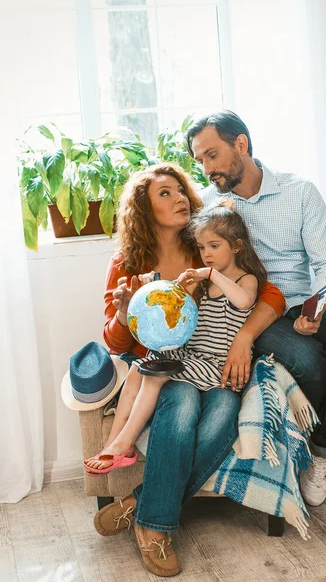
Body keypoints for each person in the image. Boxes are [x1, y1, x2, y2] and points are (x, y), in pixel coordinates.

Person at [94, 163, 285, 577]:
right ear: (144, 207)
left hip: (210, 363)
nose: (180, 196)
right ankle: (155, 529)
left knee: (221, 416)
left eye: (181, 188)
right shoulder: (128, 260)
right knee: (180, 411)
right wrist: (127, 312)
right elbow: (114, 342)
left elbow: (267, 292)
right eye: (165, 193)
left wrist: (243, 338)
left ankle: (138, 505)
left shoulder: (204, 244)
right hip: (164, 365)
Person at [186, 110, 326, 508]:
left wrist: (322, 303)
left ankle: (325, 447)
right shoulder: (211, 204)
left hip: (302, 304)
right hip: (256, 309)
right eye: (199, 160)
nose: (206, 168)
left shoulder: (300, 192)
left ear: (241, 144)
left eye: (211, 155)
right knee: (308, 364)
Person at [84, 202, 266, 477]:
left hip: (216, 365)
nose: (206, 255)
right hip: (192, 356)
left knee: (155, 375)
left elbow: (244, 302)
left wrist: (212, 274)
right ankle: (113, 441)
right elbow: (177, 304)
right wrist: (162, 288)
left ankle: (125, 442)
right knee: (138, 368)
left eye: (214, 246)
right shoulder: (205, 283)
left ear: (237, 246)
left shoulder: (245, 280)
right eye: (202, 248)